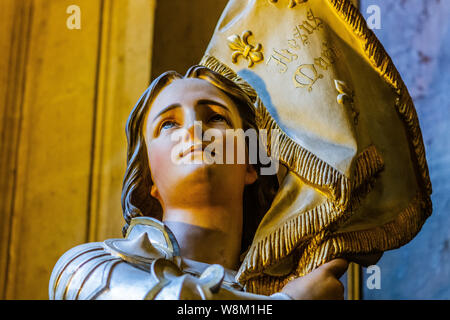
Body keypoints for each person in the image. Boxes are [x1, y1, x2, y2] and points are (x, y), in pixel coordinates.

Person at [49, 66, 351, 300]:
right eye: (169, 124)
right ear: (149, 177)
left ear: (249, 165)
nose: (194, 128)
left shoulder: (283, 288)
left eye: (216, 118)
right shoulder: (91, 267)